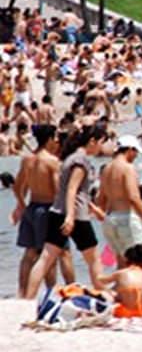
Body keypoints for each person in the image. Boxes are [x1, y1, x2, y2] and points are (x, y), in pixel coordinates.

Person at [24, 125, 109, 299]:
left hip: (58, 212)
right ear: (92, 141)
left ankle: (27, 299)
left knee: (45, 259)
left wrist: (94, 209)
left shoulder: (69, 159)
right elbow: (72, 189)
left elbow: (74, 191)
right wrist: (70, 216)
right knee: (93, 258)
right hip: (75, 216)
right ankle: (102, 293)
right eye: (101, 142)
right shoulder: (80, 161)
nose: (102, 147)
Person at [11, 125, 71, 296]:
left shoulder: (27, 160)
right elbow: (57, 191)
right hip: (47, 209)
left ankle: (22, 293)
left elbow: (17, 187)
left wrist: (22, 205)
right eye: (56, 138)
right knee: (54, 254)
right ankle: (51, 292)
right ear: (50, 139)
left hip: (31, 207)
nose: (58, 141)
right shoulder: (52, 162)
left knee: (29, 254)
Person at [96, 135, 142, 261]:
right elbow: (133, 197)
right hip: (125, 218)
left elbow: (101, 200)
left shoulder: (106, 169)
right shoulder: (127, 168)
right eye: (136, 152)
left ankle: (120, 281)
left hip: (110, 220)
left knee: (122, 261)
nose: (136, 156)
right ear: (130, 149)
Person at [101, 245, 142, 318]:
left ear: (126, 260)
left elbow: (101, 281)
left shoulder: (120, 273)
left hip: (124, 312)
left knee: (110, 294)